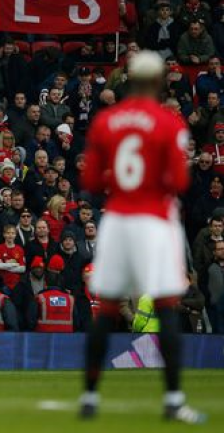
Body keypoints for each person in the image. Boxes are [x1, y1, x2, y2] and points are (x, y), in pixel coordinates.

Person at [79, 50, 205, 423]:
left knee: (106, 310)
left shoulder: (107, 121)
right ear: (159, 81)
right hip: (154, 221)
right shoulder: (168, 123)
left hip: (117, 218)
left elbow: (90, 180)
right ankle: (173, 400)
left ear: (129, 79)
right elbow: (179, 180)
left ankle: (89, 396)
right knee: (166, 307)